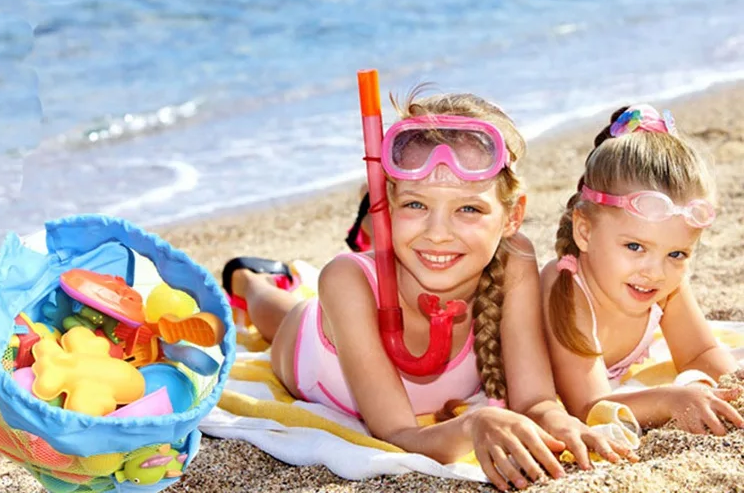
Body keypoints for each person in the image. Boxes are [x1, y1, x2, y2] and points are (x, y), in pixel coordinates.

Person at [223, 89, 634, 490]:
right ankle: (248, 278)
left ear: (513, 216)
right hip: (309, 350)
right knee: (277, 312)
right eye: (416, 205)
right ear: (385, 206)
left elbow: (534, 400)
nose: (438, 234)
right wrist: (476, 423)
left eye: (468, 209)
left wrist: (564, 424)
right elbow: (398, 433)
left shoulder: (515, 261)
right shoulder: (346, 282)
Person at [541, 104, 744, 435]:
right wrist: (670, 401)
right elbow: (588, 406)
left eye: (677, 253)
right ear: (584, 232)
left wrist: (733, 388)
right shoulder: (565, 285)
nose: (655, 272)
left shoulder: (664, 282)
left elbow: (699, 352)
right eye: (635, 247)